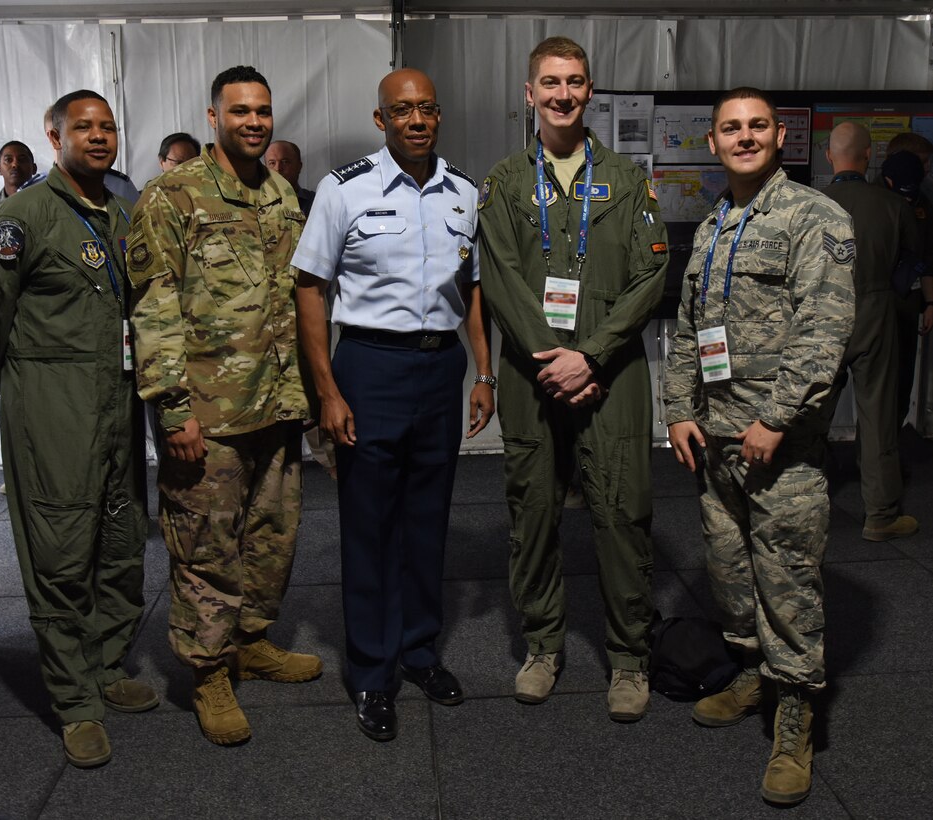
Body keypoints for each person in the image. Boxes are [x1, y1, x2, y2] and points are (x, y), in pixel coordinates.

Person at [0, 90, 156, 769]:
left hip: (116, 403)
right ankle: (74, 701)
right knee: (62, 551)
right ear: (54, 134)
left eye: (108, 127)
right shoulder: (24, 215)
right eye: (84, 127)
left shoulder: (121, 214)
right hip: (52, 406)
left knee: (121, 542)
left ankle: (103, 665)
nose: (99, 137)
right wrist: (24, 377)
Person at [664, 87, 855, 806]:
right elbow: (689, 329)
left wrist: (774, 419)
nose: (742, 138)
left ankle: (796, 717)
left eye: (755, 127)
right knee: (732, 577)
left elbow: (823, 330)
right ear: (711, 143)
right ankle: (752, 673)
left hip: (781, 447)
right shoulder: (716, 223)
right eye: (728, 129)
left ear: (779, 137)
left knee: (787, 586)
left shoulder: (814, 217)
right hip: (715, 441)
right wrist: (678, 409)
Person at [294, 68, 494, 742]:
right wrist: (327, 390)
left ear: (438, 116)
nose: (416, 121)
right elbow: (311, 290)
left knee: (427, 519)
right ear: (380, 120)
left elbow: (471, 290)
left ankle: (418, 651)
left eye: (427, 110)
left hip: (440, 369)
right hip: (368, 366)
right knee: (369, 524)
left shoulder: (464, 193)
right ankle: (371, 672)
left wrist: (483, 374)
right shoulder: (343, 189)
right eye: (401, 111)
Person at [126, 65, 321, 748]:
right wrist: (172, 410)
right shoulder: (170, 198)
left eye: (263, 111)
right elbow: (153, 311)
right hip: (206, 414)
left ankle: (250, 641)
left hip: (274, 404)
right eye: (240, 111)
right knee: (205, 545)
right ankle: (208, 672)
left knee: (270, 537)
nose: (254, 122)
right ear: (213, 117)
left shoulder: (279, 195)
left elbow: (297, 300)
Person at [477, 36, 668, 721]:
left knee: (622, 515)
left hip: (610, 375)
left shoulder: (625, 180)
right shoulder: (502, 183)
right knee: (532, 516)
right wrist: (550, 358)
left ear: (590, 92)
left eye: (575, 82)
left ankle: (627, 659)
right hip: (530, 379)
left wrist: (588, 355)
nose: (562, 93)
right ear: (529, 94)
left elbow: (650, 275)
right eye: (550, 82)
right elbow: (497, 278)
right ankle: (542, 644)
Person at [823, 122, 921, 541]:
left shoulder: (806, 205)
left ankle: (793, 505)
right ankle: (880, 515)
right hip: (876, 309)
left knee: (808, 412)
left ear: (830, 156)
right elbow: (912, 261)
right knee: (878, 414)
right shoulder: (892, 205)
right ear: (868, 157)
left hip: (820, 313)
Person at [881, 147, 933, 425]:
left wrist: (930, 303)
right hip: (874, 297)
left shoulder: (923, 204)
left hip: (907, 297)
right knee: (872, 380)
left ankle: (891, 445)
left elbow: (927, 256)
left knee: (902, 376)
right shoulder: (875, 201)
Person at [265, 140, 315, 215]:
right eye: (272, 163)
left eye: (285, 162)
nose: (278, 168)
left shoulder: (316, 202)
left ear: (299, 166)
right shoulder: (252, 203)